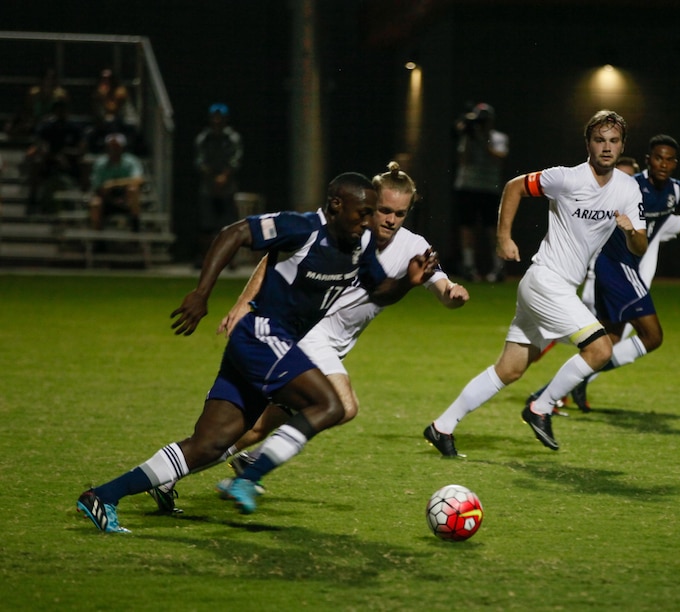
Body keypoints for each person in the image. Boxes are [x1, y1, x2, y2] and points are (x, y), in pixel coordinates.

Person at [77, 172, 437, 533]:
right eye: (363, 212)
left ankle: (102, 496)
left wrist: (408, 281)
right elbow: (233, 233)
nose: (369, 221)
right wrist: (202, 292)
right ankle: (249, 477)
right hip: (263, 333)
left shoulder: (360, 245)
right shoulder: (301, 227)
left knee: (208, 445)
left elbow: (380, 291)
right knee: (329, 405)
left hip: (264, 345)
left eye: (372, 213)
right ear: (336, 205)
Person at [145, 161, 470, 513]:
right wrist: (246, 302)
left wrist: (451, 293)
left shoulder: (412, 246)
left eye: (400, 213)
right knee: (342, 406)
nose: (390, 219)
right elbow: (278, 261)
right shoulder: (342, 232)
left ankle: (180, 474)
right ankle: (250, 471)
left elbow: (437, 283)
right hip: (305, 338)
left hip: (327, 345)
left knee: (254, 429)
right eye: (383, 210)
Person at [422, 110, 646, 457]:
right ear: (587, 144)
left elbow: (640, 245)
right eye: (599, 140)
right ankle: (541, 407)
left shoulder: (628, 188)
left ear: (622, 145)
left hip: (552, 287)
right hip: (546, 282)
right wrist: (503, 238)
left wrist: (631, 231)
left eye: (614, 141)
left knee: (509, 370)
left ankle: (442, 426)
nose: (606, 147)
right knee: (600, 349)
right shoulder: (567, 178)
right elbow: (515, 187)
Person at [531, 134, 680, 412]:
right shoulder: (630, 186)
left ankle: (544, 395)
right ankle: (562, 380)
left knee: (607, 343)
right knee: (652, 336)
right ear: (648, 160)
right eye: (658, 157)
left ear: (675, 164)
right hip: (616, 267)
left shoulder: (677, 191)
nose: (663, 163)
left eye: (669, 159)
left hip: (620, 271)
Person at [452, 102, 509, 282]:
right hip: (467, 187)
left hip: (489, 189)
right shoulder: (467, 138)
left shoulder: (498, 137)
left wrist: (483, 140)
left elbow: (499, 158)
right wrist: (470, 137)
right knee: (467, 228)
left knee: (492, 229)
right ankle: (469, 267)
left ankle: (498, 267)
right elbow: (463, 160)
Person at [194, 103, 244, 268]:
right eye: (214, 117)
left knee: (230, 226)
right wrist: (212, 177)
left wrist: (224, 176)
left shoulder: (232, 138)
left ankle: (231, 261)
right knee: (205, 226)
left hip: (227, 188)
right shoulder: (204, 138)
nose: (216, 121)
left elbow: (236, 160)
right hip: (208, 188)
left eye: (219, 117)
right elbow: (200, 161)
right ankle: (204, 259)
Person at [23, 97, 85, 214]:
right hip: (50, 161)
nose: (61, 112)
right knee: (36, 162)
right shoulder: (47, 127)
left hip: (71, 162)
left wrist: (65, 154)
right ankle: (33, 198)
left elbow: (81, 150)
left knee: (84, 164)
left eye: (63, 109)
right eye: (58, 109)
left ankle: (84, 199)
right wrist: (55, 156)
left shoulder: (75, 128)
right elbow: (41, 146)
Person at [88, 132, 144, 231]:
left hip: (126, 198)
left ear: (122, 148)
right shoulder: (100, 164)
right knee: (95, 203)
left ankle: (136, 227)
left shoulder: (131, 161)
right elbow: (97, 186)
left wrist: (113, 184)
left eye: (117, 146)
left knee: (133, 190)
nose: (114, 149)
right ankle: (98, 240)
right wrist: (107, 191)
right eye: (111, 146)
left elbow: (138, 180)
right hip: (107, 199)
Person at [5, 67, 68, 141]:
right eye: (46, 79)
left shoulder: (61, 95)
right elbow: (27, 111)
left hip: (53, 125)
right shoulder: (33, 94)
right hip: (36, 123)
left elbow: (64, 115)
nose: (48, 82)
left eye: (51, 79)